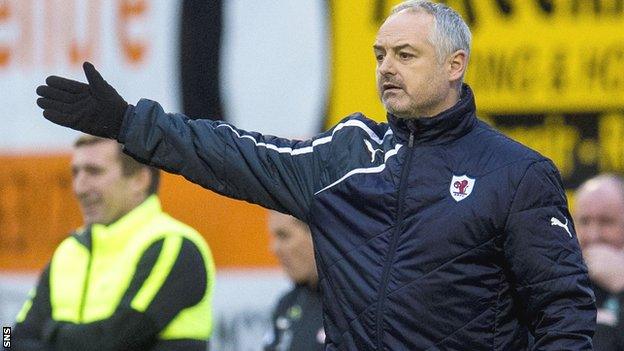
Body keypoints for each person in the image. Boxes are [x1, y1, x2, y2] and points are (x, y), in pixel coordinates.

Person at [35, 0, 596, 349]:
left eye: (405, 54)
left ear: (456, 66)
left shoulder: (517, 173)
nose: (386, 69)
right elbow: (237, 153)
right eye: (379, 55)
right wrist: (130, 122)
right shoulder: (348, 155)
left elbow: (564, 314)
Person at [12, 136, 216, 351]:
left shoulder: (173, 244)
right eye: (75, 172)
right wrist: (10, 337)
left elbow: (111, 343)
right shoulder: (69, 250)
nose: (79, 187)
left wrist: (51, 332)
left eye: (94, 172)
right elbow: (10, 337)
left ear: (140, 180)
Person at [574, 174, 624, 350]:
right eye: (584, 222)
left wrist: (622, 286)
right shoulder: (560, 285)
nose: (593, 235)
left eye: (606, 222)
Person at [263, 211, 324, 351]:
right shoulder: (287, 304)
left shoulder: (356, 306)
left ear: (317, 234)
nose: (274, 249)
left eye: (284, 236)